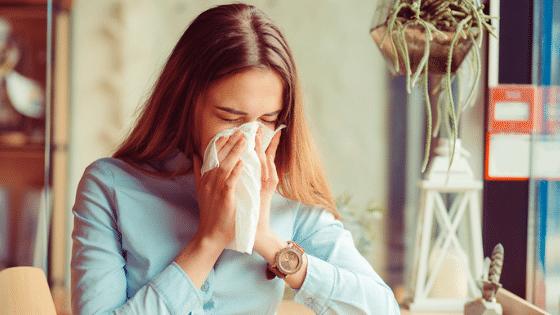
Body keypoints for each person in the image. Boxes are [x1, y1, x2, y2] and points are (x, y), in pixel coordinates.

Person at [71, 3, 400, 314]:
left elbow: (382, 308)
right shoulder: (110, 188)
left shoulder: (289, 199)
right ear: (187, 103)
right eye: (229, 117)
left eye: (268, 119)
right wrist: (208, 242)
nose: (250, 138)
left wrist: (265, 238)